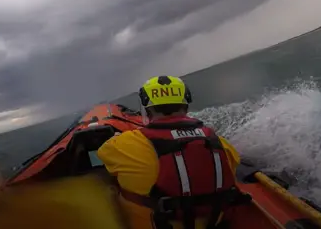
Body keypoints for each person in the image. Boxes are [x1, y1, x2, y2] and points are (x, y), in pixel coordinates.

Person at [97, 75, 251, 229]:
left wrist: (118, 138)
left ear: (148, 108)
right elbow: (233, 164)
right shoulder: (219, 142)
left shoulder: (123, 144)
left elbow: (103, 155)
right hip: (213, 224)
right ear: (185, 103)